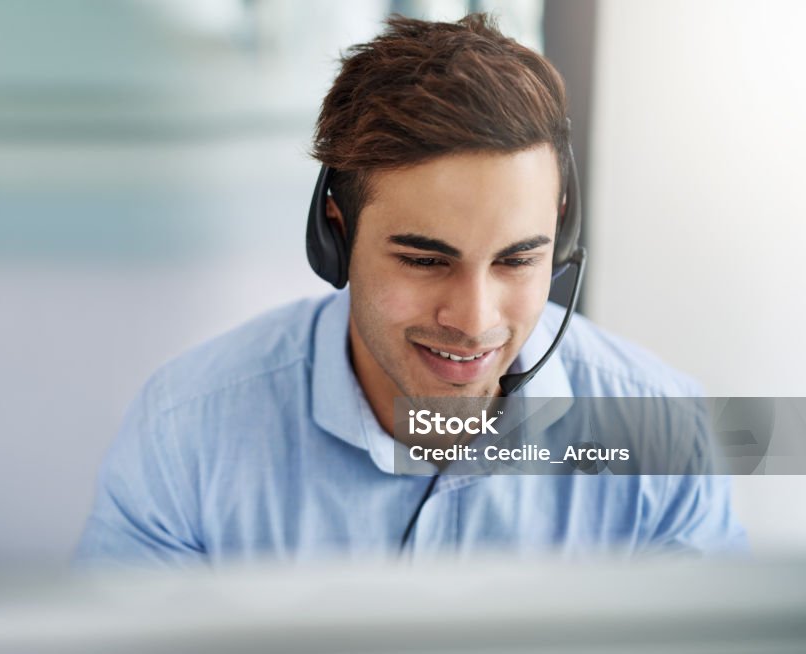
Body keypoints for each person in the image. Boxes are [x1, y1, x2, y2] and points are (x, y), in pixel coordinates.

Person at [75, 13, 745, 568]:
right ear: (335, 236)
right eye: (426, 261)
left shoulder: (661, 436)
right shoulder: (187, 434)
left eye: (516, 261)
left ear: (561, 242)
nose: (475, 320)